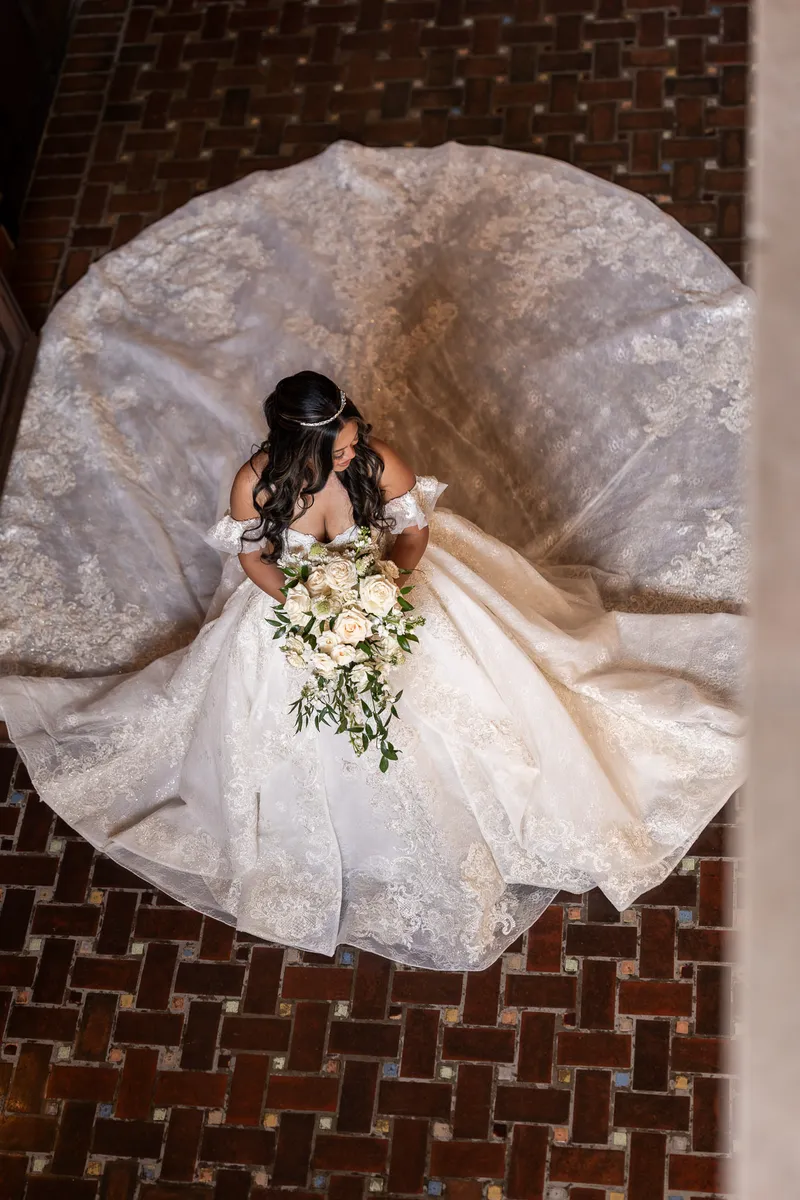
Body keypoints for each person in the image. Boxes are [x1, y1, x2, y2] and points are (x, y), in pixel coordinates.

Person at [0, 369, 746, 972]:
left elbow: (414, 534)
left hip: (388, 592)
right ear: (300, 444)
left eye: (356, 438)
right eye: (343, 445)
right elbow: (254, 559)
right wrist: (309, 609)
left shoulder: (380, 464)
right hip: (299, 613)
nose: (355, 451)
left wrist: (384, 589)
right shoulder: (255, 485)